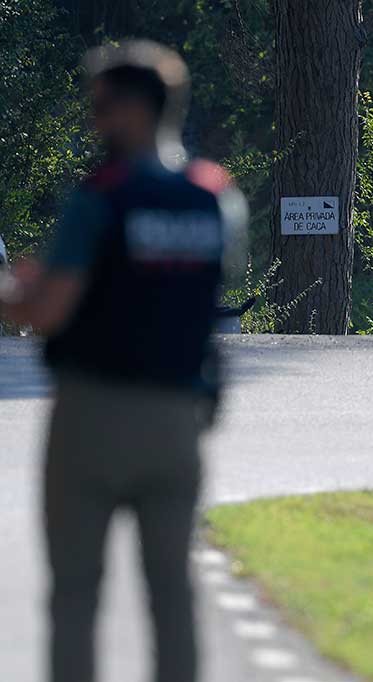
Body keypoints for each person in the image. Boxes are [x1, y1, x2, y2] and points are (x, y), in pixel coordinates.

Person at [0, 41, 246, 682]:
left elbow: (47, 311)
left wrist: (15, 292)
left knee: (77, 591)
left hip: (94, 412)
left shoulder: (102, 196)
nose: (94, 119)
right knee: (171, 590)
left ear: (135, 108)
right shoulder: (215, 198)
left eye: (102, 105)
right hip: (179, 416)